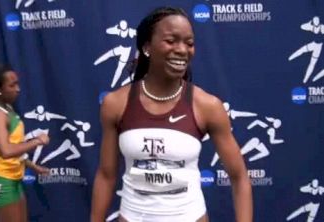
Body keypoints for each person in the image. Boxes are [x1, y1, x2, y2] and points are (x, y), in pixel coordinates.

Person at [91, 7, 252, 222]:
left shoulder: (207, 106)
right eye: (171, 40)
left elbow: (239, 177)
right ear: (147, 47)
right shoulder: (116, 103)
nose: (182, 50)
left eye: (189, 43)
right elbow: (106, 175)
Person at [0, 63, 50, 222]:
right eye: (12, 85)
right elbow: (6, 151)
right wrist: (37, 141)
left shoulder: (8, 109)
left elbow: (15, 150)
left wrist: (33, 166)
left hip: (12, 179)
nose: (18, 89)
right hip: (0, 181)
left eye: (17, 84)